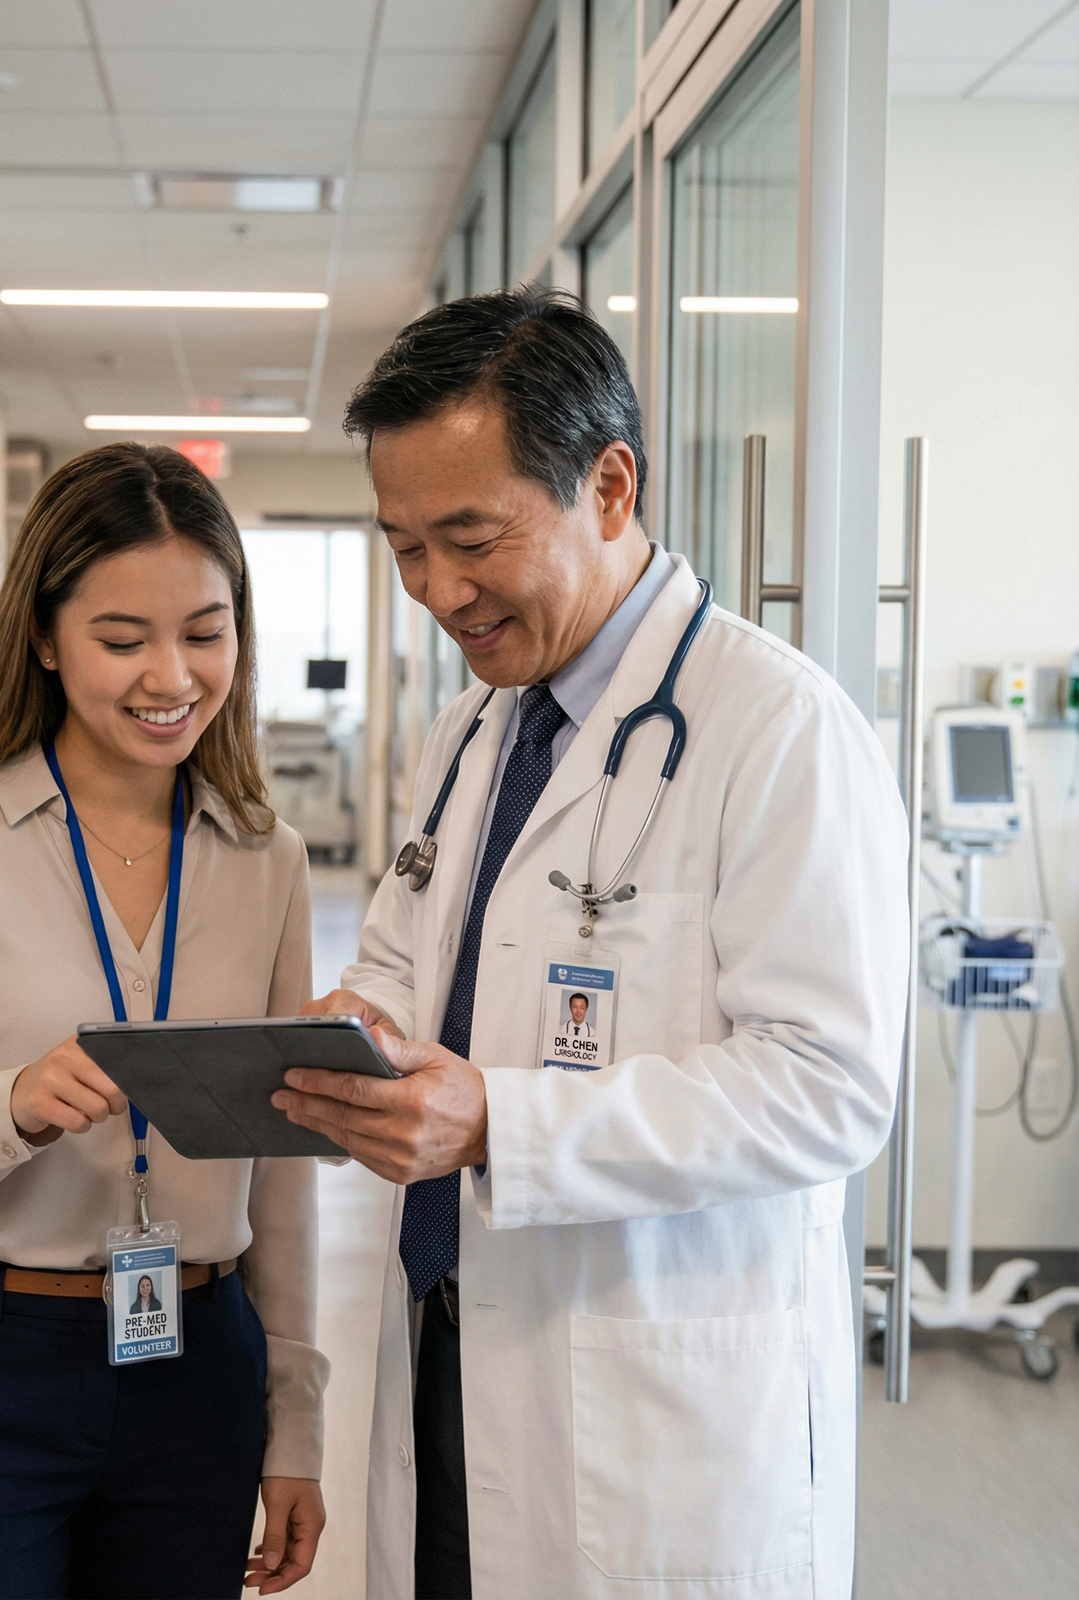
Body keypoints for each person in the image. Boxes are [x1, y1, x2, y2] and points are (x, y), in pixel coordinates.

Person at [272, 289, 910, 1600]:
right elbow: (406, 961)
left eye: (471, 539)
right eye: (404, 548)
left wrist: (504, 1122)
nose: (439, 592)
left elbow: (831, 1087)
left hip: (654, 1406)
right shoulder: (474, 736)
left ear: (609, 487)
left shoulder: (776, 727)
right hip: (456, 1350)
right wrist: (358, 1036)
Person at [0, 442, 328, 1600]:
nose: (171, 675)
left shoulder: (265, 861)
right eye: (121, 637)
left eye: (205, 631)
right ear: (43, 637)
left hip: (196, 1367)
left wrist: (293, 1422)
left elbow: (282, 1178)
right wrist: (8, 1109)